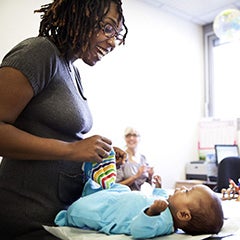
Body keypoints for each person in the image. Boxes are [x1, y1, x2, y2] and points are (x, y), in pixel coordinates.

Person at [0, 0, 128, 239]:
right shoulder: (38, 52)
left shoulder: (71, 70)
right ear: (80, 15)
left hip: (61, 221)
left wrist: (99, 153)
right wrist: (72, 149)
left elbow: (62, 138)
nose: (112, 42)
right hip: (26, 222)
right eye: (108, 28)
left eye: (117, 34)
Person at [55, 176, 224, 239]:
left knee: (82, 209)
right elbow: (157, 197)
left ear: (184, 215)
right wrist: (158, 187)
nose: (180, 189)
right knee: (120, 188)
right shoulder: (169, 207)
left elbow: (139, 231)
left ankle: (68, 216)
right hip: (121, 198)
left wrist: (151, 213)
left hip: (110, 212)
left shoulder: (163, 223)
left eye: (186, 192)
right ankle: (93, 191)